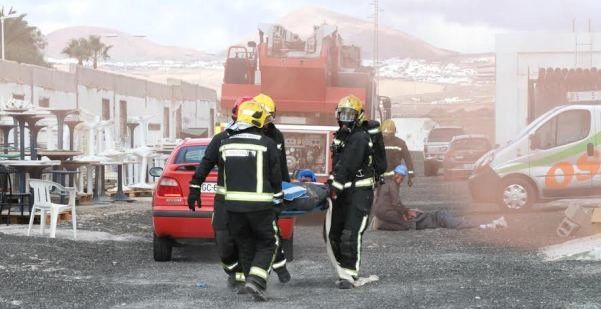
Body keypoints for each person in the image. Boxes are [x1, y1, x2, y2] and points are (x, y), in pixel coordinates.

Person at [219, 99, 283, 301]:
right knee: (267, 242)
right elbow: (275, 175)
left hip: (233, 208)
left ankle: (250, 282)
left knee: (245, 243)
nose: (266, 126)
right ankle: (256, 281)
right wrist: (279, 200)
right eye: (264, 122)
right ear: (256, 122)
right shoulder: (268, 144)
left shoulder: (225, 144)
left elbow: (223, 176)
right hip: (260, 207)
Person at [187, 96, 252, 290]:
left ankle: (248, 278)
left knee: (248, 241)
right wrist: (195, 188)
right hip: (225, 202)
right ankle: (234, 272)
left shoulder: (263, 142)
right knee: (224, 242)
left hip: (252, 203)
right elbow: (205, 164)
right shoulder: (221, 139)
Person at [326, 95, 376, 289]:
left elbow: (349, 164)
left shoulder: (360, 137)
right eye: (343, 113)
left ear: (358, 116)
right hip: (345, 192)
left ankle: (349, 274)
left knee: (350, 233)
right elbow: (338, 164)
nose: (346, 118)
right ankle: (342, 270)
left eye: (350, 114)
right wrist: (331, 182)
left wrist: (335, 185)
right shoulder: (341, 136)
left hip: (360, 192)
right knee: (334, 234)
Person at [373, 164, 507, 231]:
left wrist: (408, 211)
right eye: (399, 176)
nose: (400, 178)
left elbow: (395, 203)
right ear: (395, 173)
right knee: (457, 222)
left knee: (457, 220)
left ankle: (488, 223)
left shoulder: (389, 183)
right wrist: (406, 212)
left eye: (401, 177)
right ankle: (488, 224)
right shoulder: (392, 184)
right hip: (434, 217)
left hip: (433, 216)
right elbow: (396, 203)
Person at [253, 93, 291, 283]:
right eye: (265, 117)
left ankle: (278, 269)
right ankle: (277, 268)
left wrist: (285, 188)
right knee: (264, 234)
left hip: (271, 192)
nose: (268, 121)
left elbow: (281, 165)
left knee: (271, 232)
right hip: (253, 191)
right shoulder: (249, 134)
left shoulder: (276, 135)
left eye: (270, 117)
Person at [381, 119, 415, 186]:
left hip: (380, 178)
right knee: (394, 195)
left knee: (381, 195)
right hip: (395, 178)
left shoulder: (377, 143)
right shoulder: (400, 143)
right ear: (394, 130)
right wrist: (411, 176)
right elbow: (408, 160)